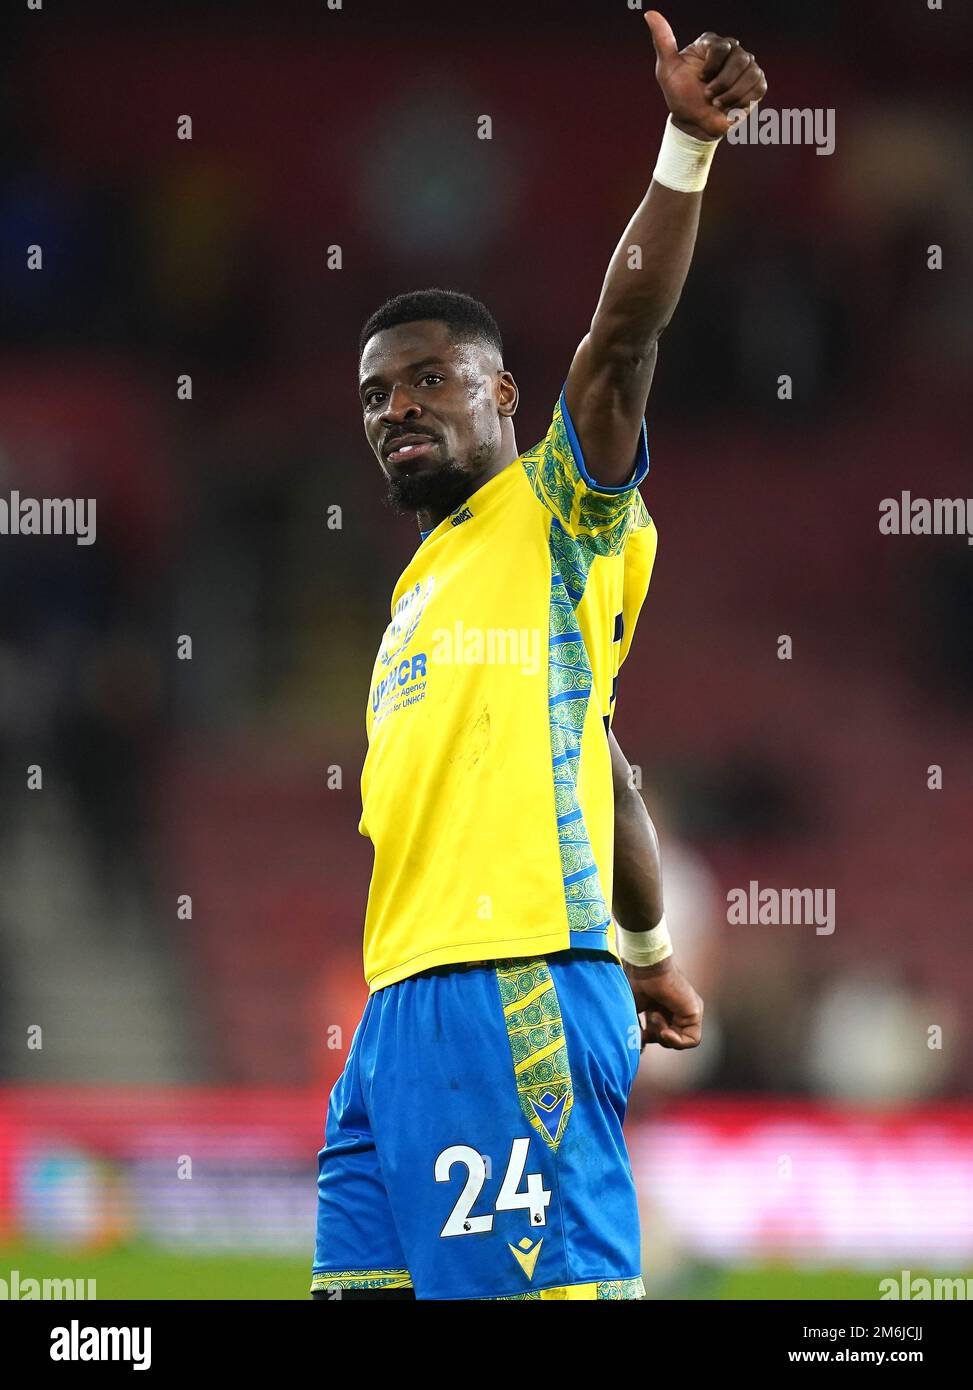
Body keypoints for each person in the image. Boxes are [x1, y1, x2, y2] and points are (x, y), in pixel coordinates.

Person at [311, 11, 767, 1300]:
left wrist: (684, 144)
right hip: (395, 1014)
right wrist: (650, 953)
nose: (397, 410)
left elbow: (623, 336)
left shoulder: (562, 514)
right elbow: (601, 768)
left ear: (505, 396)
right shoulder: (421, 583)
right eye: (375, 398)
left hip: (504, 992)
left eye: (430, 382)